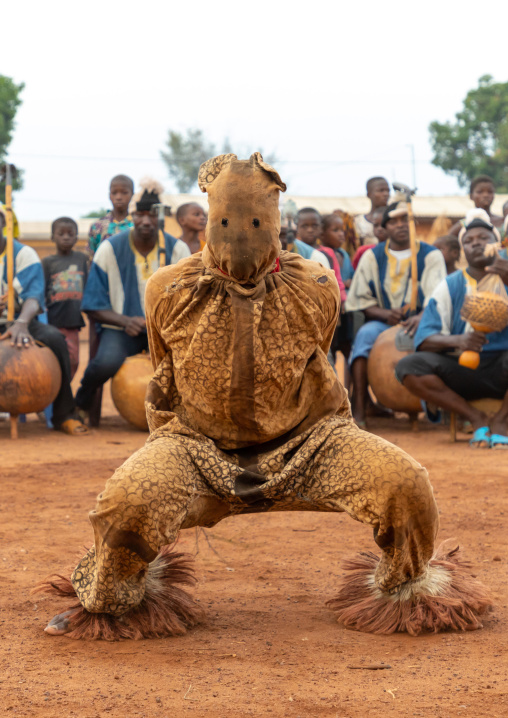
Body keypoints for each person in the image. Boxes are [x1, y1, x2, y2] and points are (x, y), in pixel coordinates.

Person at [41, 153, 490, 641]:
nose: (240, 237)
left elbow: (317, 351)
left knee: (405, 485)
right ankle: (108, 598)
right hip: (195, 448)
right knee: (126, 503)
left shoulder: (316, 284)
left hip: (311, 443)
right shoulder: (168, 289)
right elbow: (163, 357)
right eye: (227, 223)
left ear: (275, 225)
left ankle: (405, 586)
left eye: (255, 223)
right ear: (211, 221)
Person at [75, 179, 190, 416]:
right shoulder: (109, 249)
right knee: (104, 363)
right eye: (139, 215)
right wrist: (126, 321)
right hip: (121, 328)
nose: (145, 221)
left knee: (191, 366)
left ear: (159, 217)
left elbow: (189, 300)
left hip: (165, 331)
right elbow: (93, 303)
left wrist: (157, 324)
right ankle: (80, 407)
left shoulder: (177, 250)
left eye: (151, 215)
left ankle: (189, 418)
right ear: (131, 215)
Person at [396, 210, 508, 448]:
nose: (476, 243)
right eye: (468, 241)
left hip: (503, 367)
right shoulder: (450, 285)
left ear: (497, 244)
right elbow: (425, 339)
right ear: (463, 251)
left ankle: (502, 420)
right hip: (462, 368)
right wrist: (459, 341)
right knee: (409, 366)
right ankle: (475, 418)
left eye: (484, 238)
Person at [345, 199, 447, 426]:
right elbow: (359, 299)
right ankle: (360, 411)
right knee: (363, 339)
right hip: (382, 323)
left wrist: (421, 318)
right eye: (394, 221)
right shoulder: (373, 256)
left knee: (443, 344)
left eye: (405, 220)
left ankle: (441, 409)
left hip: (423, 323)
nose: (400, 225)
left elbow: (438, 298)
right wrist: (384, 314)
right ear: (384, 228)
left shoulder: (431, 255)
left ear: (413, 224)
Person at [0, 208, 89, 435]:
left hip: (20, 319)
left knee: (55, 339)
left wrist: (21, 322)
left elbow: (34, 296)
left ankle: (64, 415)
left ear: (3, 225)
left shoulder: (22, 254)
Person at [42, 217, 88, 378]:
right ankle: (54, 394)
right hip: (52, 320)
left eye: (71, 234)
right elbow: (41, 290)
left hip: (72, 321)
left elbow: (88, 284)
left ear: (76, 237)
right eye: (61, 234)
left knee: (73, 360)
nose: (66, 237)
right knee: (53, 358)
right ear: (52, 237)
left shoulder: (81, 259)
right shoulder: (47, 263)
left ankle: (65, 390)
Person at [88, 175, 135, 255]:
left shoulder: (136, 225)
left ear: (132, 195)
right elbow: (92, 258)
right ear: (109, 195)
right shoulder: (98, 226)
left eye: (124, 193)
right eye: (114, 193)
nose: (119, 197)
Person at [354, 177, 390, 245]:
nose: (386, 194)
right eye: (381, 190)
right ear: (369, 194)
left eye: (388, 190)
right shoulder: (359, 222)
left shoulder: (394, 220)